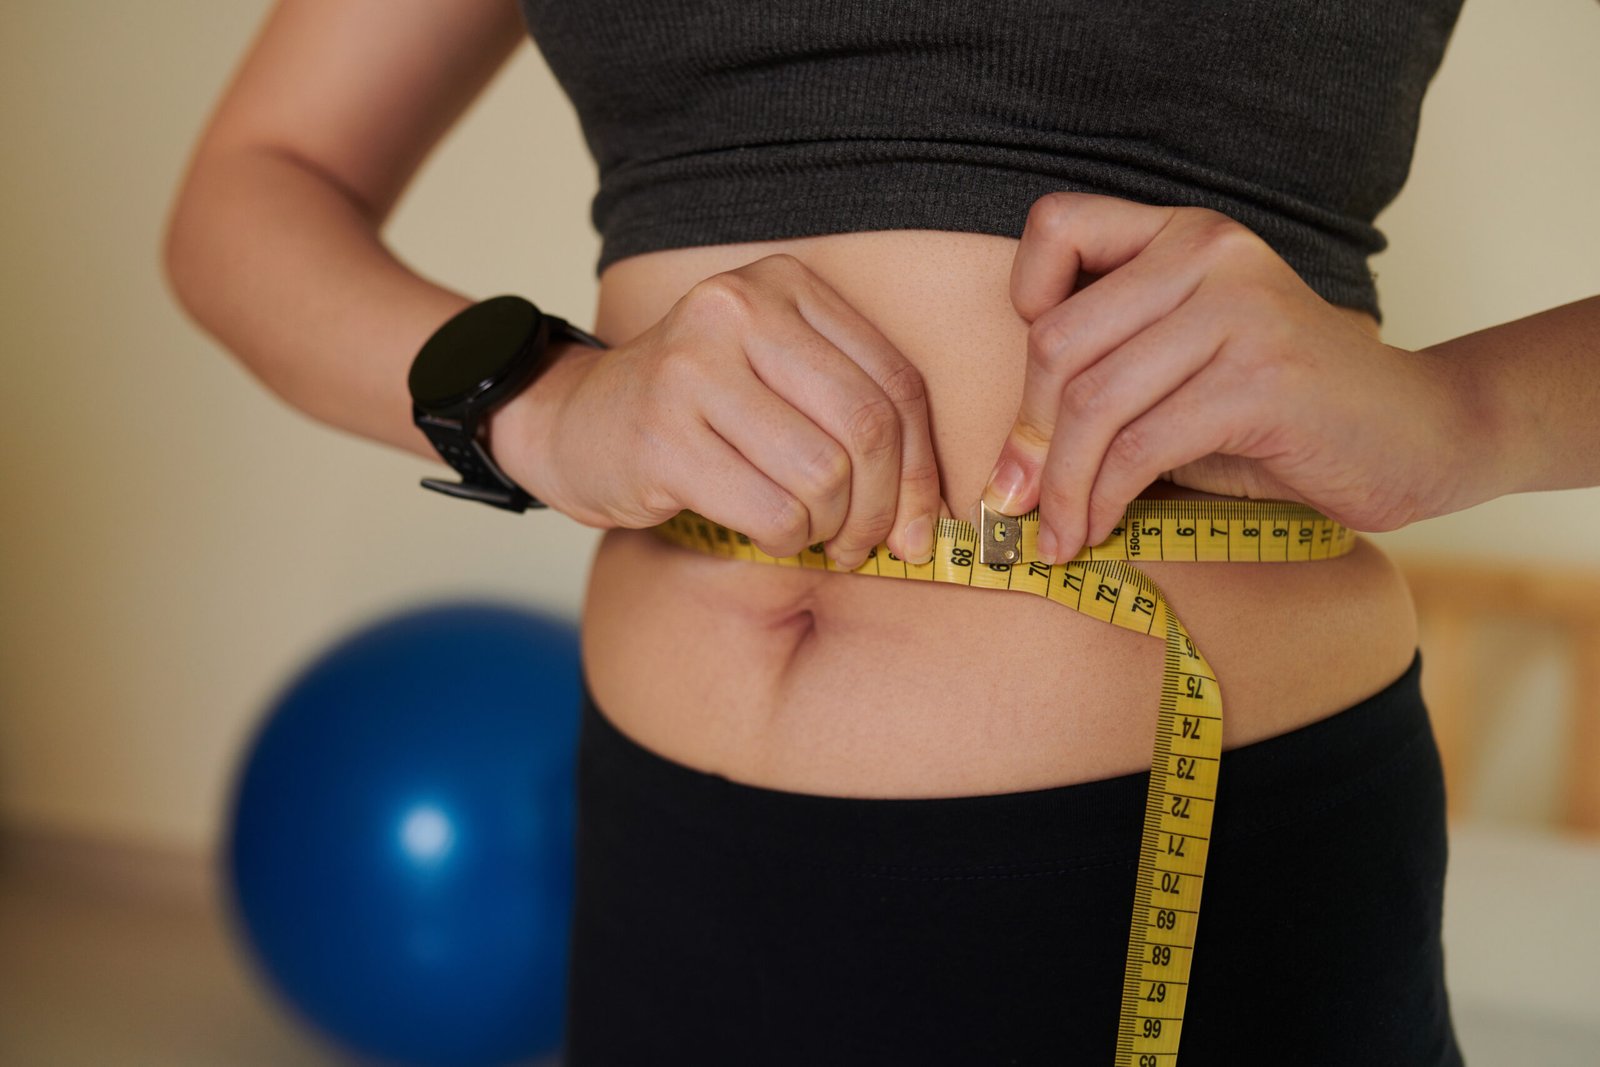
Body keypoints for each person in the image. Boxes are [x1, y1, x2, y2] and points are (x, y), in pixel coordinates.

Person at [164, 2, 1599, 1063]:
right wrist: (542, 406)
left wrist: (1463, 417)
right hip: (667, 855)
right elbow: (252, 190)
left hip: (1208, 853)